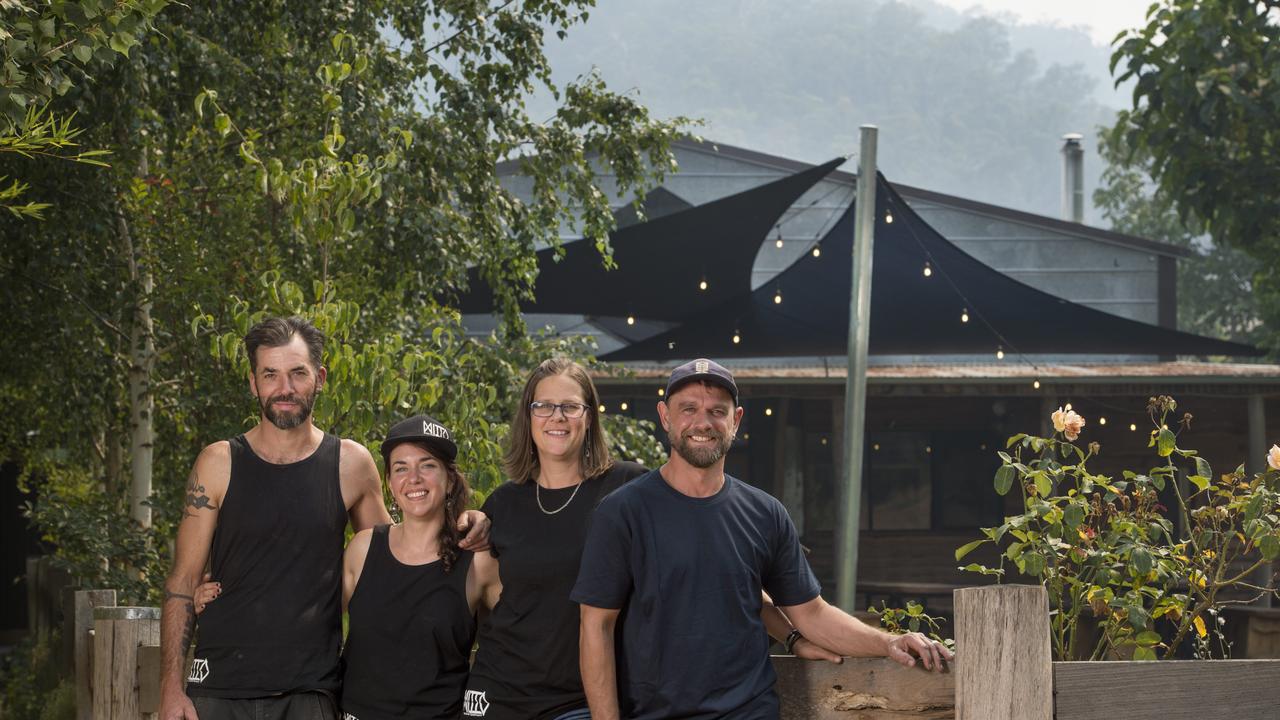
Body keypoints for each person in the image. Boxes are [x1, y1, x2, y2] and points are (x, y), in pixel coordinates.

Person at [573, 358, 953, 720]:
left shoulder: (765, 513)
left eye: (717, 411)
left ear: (736, 420)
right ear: (665, 417)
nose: (702, 422)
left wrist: (888, 643)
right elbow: (596, 626)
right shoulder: (623, 512)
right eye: (688, 409)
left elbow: (812, 613)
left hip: (748, 710)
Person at [464, 358, 839, 720]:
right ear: (528, 416)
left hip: (578, 698)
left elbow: (723, 575)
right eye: (543, 406)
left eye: (570, 406)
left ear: (589, 416)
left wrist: (791, 637)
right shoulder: (504, 502)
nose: (557, 417)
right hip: (501, 686)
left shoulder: (629, 490)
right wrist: (470, 519)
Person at [158, 316, 489, 720]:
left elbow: (396, 565)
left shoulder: (350, 464)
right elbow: (182, 580)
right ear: (252, 382)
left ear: (320, 377)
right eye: (271, 375)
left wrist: (464, 517)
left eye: (298, 373)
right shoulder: (218, 463)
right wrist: (171, 689)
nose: (285, 388)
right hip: (219, 687)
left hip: (312, 690)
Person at [340, 414, 500, 720]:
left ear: (450, 478)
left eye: (427, 465)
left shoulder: (478, 560)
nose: (413, 478)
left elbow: (513, 645)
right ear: (389, 482)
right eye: (401, 468)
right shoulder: (362, 549)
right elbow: (316, 627)